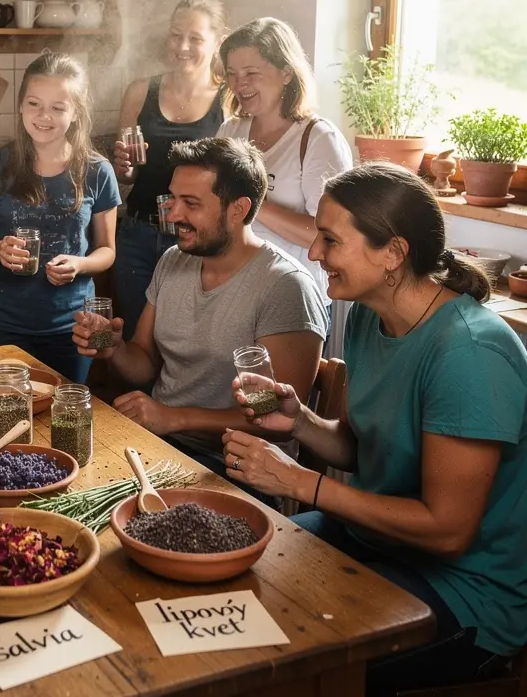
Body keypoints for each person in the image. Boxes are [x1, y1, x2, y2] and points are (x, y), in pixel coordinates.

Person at [223, 163, 527, 694]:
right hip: (370, 541)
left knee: (268, 663)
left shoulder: (470, 354)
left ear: (393, 253)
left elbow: (447, 529)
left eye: (329, 239)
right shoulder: (369, 314)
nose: (314, 253)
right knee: (230, 581)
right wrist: (301, 420)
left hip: (464, 592)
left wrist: (301, 483)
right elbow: (369, 448)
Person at [73, 136, 327, 496]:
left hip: (236, 469)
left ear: (238, 209)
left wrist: (174, 417)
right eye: (172, 199)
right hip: (162, 448)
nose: (173, 214)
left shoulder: (285, 288)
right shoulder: (174, 261)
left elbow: (277, 421)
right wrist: (113, 349)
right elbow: (144, 363)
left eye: (190, 203)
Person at [0, 53, 119, 384]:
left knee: (65, 415)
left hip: (73, 327)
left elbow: (107, 251)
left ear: (76, 113)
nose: (43, 116)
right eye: (34, 104)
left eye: (58, 108)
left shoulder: (98, 170)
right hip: (0, 323)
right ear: (20, 106)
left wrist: (79, 264)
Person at [216, 17, 352, 313]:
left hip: (293, 298)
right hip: (234, 290)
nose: (240, 84)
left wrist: (249, 202)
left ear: (287, 72)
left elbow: (330, 236)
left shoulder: (317, 138)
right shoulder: (230, 131)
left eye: (251, 72)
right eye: (232, 74)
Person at [113, 0, 227, 341]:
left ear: (218, 41)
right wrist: (125, 165)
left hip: (196, 239)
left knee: (188, 340)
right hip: (139, 236)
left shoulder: (229, 101)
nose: (182, 46)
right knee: (135, 339)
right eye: (176, 35)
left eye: (195, 38)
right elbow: (128, 177)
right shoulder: (140, 91)